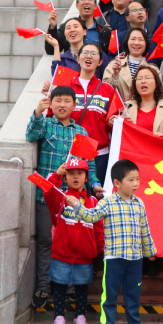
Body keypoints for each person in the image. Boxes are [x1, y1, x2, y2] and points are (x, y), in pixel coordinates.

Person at [26, 85, 103, 308]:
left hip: (73, 200)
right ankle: (43, 286)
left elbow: (89, 165)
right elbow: (31, 134)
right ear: (51, 103)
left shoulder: (81, 133)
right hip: (47, 195)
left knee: (73, 241)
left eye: (67, 101)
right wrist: (38, 112)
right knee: (45, 241)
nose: (62, 104)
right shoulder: (46, 124)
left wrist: (95, 184)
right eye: (57, 100)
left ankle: (71, 286)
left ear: (74, 105)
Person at [67, 159, 158, 324]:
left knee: (133, 296)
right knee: (109, 296)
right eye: (131, 180)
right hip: (114, 259)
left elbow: (144, 230)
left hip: (135, 260)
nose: (136, 183)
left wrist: (150, 252)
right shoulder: (107, 202)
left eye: (137, 179)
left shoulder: (139, 203)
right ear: (117, 183)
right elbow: (91, 216)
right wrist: (77, 205)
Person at [42, 156, 105, 324]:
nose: (75, 177)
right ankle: (59, 318)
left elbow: (99, 230)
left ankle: (80, 318)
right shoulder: (60, 198)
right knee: (59, 287)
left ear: (86, 177)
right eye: (71, 174)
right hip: (61, 254)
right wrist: (56, 175)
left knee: (82, 288)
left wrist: (103, 249)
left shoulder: (93, 202)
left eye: (80, 173)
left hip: (84, 256)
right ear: (65, 177)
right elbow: (48, 191)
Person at [58, 43, 120, 183]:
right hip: (70, 151)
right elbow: (54, 117)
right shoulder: (66, 87)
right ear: (78, 58)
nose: (89, 56)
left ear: (100, 62)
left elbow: (110, 124)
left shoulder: (107, 90)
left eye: (94, 53)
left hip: (99, 154)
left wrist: (112, 122)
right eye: (85, 52)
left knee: (96, 192)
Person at [45, 0, 112, 54]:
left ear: (95, 6)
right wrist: (52, 27)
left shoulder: (104, 31)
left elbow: (110, 55)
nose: (87, 2)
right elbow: (51, 50)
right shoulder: (67, 28)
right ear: (77, 5)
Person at [123, 65, 163, 135]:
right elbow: (120, 136)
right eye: (139, 79)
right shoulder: (127, 108)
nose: (143, 81)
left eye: (148, 78)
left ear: (156, 83)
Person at [103, 27, 152, 102]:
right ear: (127, 42)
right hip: (119, 108)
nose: (136, 43)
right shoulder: (114, 65)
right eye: (133, 39)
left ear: (146, 43)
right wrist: (115, 75)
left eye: (140, 39)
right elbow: (105, 91)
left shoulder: (152, 69)